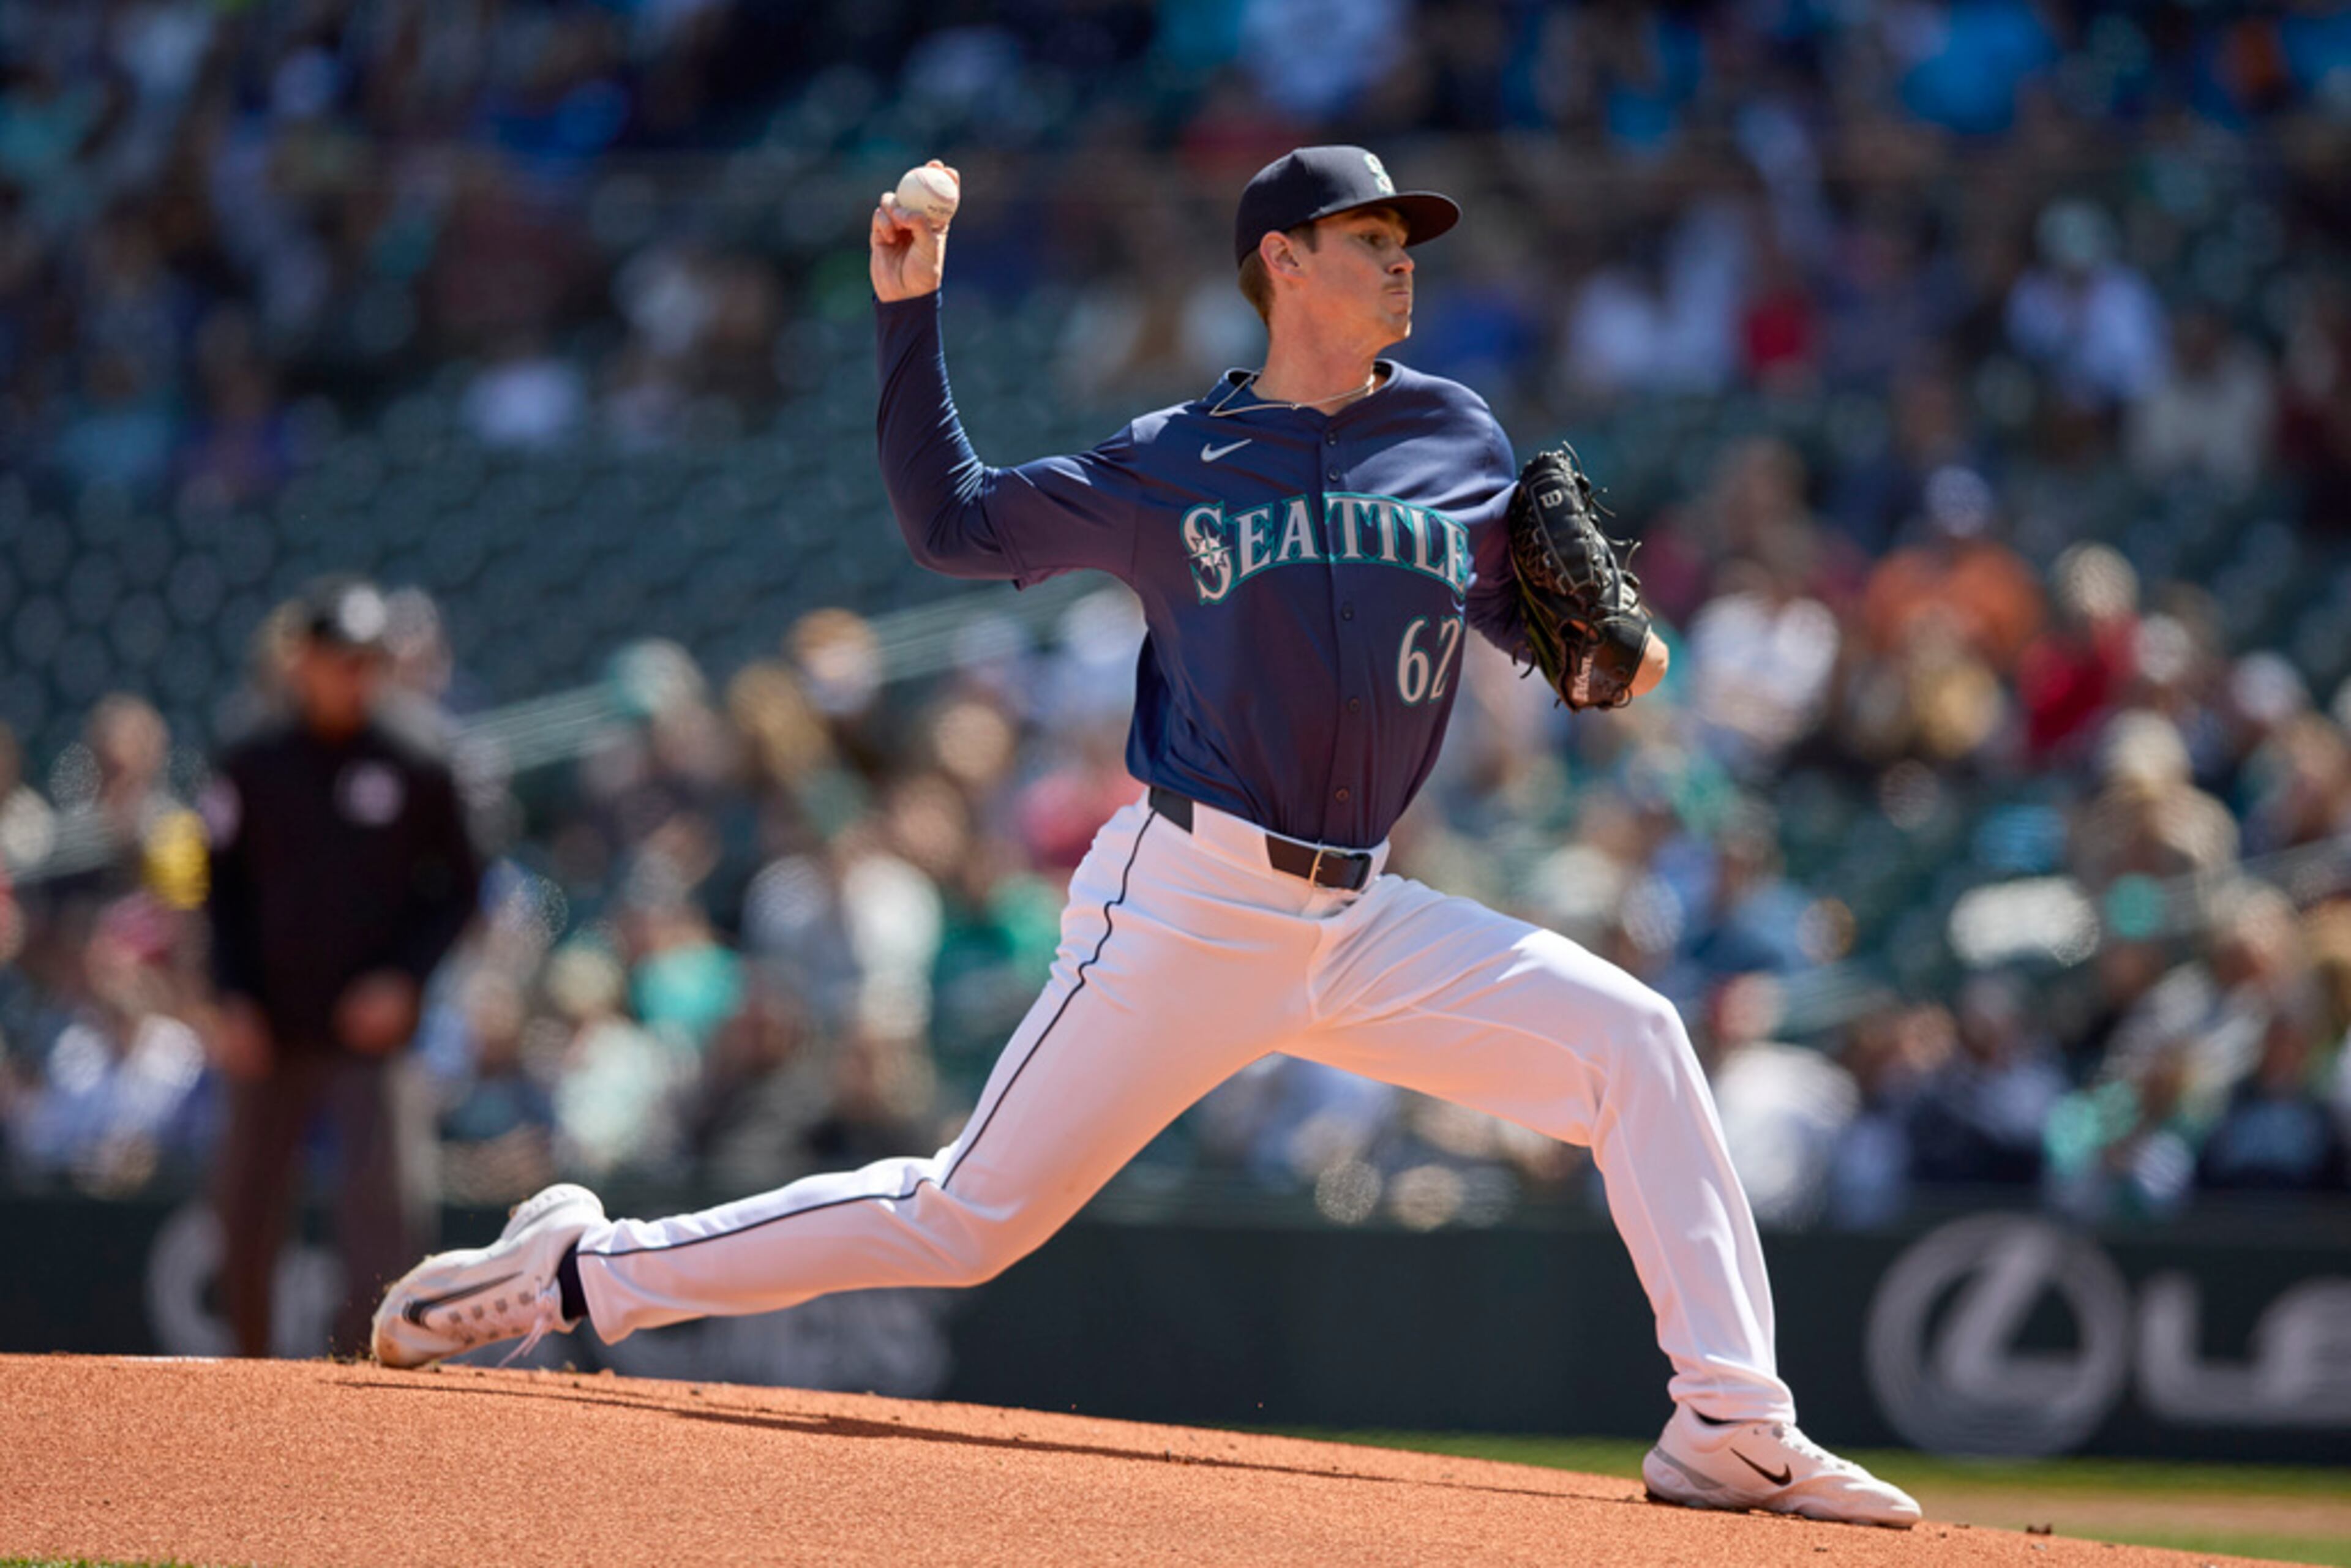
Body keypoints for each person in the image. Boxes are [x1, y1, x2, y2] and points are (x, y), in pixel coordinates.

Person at [372, 148, 1919, 1528]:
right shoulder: (1173, 458)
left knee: (1635, 1037)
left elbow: (1572, 649)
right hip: (1185, 906)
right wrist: (908, 316)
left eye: (1406, 237)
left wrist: (1619, 653)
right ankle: (574, 1270)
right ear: (1280, 265)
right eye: (1365, 234)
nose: (1400, 258)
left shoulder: (1454, 435)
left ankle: (1728, 1420)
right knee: (963, 1218)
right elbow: (953, 525)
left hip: (1364, 917)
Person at [205, 577, 482, 1357]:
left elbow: (460, 888)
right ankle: (244, 1372)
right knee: (244, 1208)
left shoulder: (419, 755)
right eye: (340, 659)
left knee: (383, 1211)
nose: (354, 675)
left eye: (368, 660)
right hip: (271, 1020)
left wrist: (406, 976)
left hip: (369, 1032)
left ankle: (370, 1380)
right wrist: (230, 995)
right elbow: (220, 889)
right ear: (304, 661)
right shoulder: (253, 758)